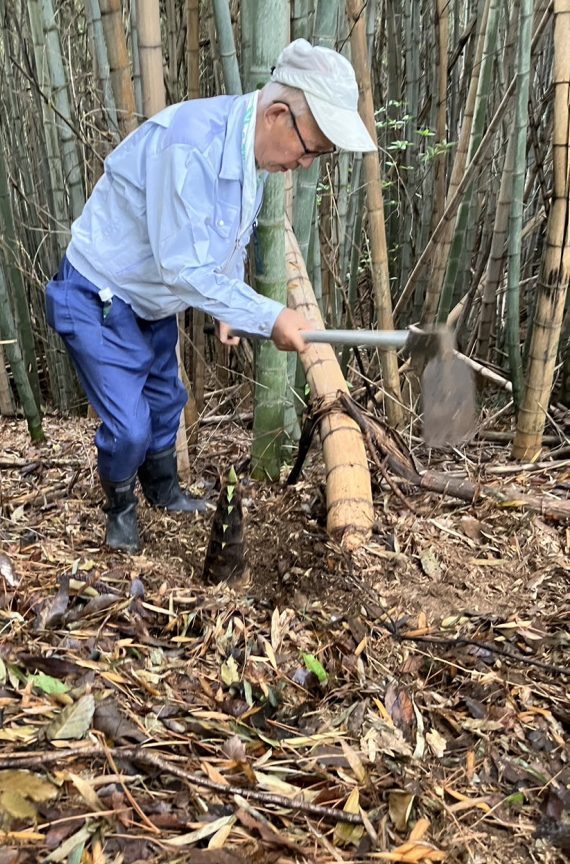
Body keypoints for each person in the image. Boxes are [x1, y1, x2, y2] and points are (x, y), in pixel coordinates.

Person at [46, 40, 377, 553]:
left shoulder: (249, 153)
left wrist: (230, 305)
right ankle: (120, 510)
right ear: (277, 115)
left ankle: (163, 492)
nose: (306, 164)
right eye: (310, 149)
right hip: (100, 295)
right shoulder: (192, 147)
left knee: (166, 402)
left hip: (153, 301)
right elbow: (181, 266)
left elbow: (229, 234)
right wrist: (267, 315)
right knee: (130, 427)